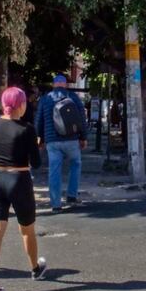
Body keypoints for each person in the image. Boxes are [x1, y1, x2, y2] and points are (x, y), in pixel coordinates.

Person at [0, 86, 47, 291]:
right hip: (18, 180)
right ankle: (35, 269)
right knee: (27, 230)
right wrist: (36, 147)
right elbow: (36, 164)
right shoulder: (27, 129)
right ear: (20, 105)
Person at [35, 74, 88, 213]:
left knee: (54, 171)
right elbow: (82, 118)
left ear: (54, 84)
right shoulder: (73, 97)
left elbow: (39, 120)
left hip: (52, 141)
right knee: (76, 164)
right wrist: (83, 137)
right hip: (72, 139)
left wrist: (39, 137)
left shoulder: (45, 99)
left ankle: (56, 204)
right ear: (65, 85)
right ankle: (71, 195)